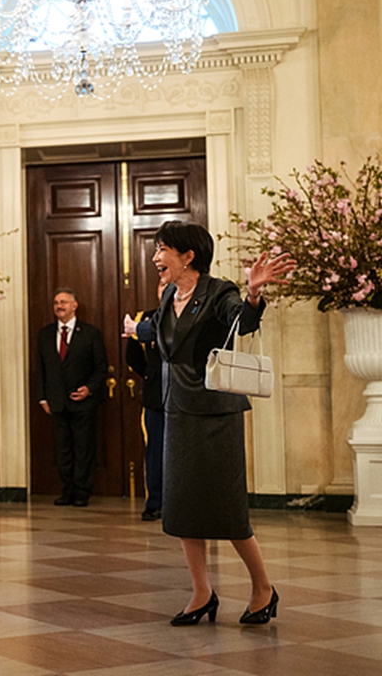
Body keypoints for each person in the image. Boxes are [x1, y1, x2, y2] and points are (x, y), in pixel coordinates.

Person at [123, 220, 295, 627]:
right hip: (177, 413)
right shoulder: (168, 295)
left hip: (216, 415)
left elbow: (243, 321)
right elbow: (160, 331)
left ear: (188, 256)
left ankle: (263, 589)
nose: (154, 258)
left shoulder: (220, 292)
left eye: (162, 249)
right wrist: (135, 328)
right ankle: (201, 593)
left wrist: (253, 293)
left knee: (228, 511)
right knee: (182, 509)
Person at [35, 287, 108, 507]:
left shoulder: (90, 333)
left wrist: (89, 388)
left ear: (74, 306)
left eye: (64, 302)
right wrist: (42, 398)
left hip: (83, 403)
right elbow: (41, 368)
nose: (59, 306)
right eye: (56, 302)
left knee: (84, 448)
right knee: (63, 450)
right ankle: (67, 490)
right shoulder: (45, 334)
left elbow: (101, 367)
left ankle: (82, 492)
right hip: (56, 402)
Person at [126, 278, 167, 521]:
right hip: (155, 396)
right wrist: (152, 375)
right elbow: (133, 357)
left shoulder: (192, 313)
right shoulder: (144, 317)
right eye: (160, 284)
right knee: (155, 451)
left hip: (185, 395)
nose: (164, 288)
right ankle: (155, 502)